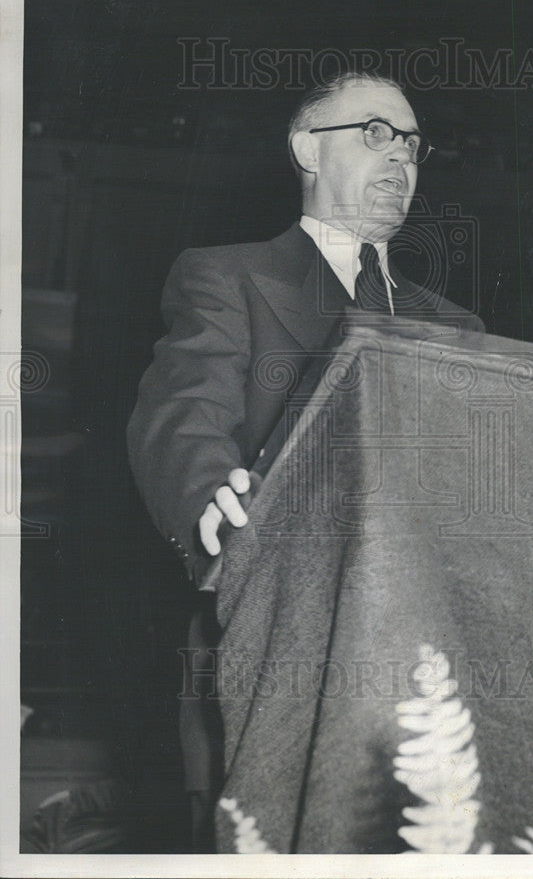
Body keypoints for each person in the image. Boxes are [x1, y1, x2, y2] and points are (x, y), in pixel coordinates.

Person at [127, 71, 484, 848]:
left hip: (431, 684)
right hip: (270, 660)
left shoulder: (458, 326)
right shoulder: (228, 276)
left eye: (414, 145)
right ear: (305, 150)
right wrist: (207, 498)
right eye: (376, 133)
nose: (402, 159)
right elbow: (184, 414)